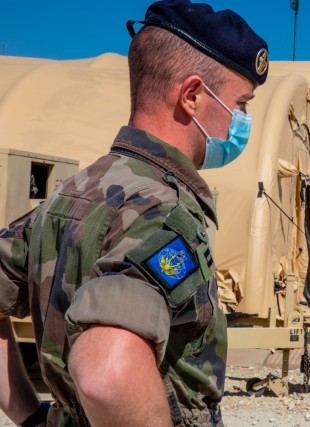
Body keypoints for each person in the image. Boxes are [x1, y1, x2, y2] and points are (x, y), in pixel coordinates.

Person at [0, 0, 269, 425]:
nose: (243, 121)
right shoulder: (165, 214)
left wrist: (30, 416)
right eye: (241, 104)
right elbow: (107, 372)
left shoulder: (68, 194)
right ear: (193, 96)